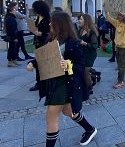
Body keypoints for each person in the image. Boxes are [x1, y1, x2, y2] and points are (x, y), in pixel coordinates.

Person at [27, 12, 97, 147]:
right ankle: (90, 129)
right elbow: (43, 58)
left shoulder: (73, 43)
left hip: (66, 84)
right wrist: (32, 63)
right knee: (68, 112)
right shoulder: (50, 40)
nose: (48, 24)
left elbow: (80, 65)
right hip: (53, 83)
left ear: (59, 25)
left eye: (51, 22)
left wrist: (69, 64)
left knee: (51, 116)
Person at [105, 11, 125, 88]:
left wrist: (124, 15)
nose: (118, 17)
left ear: (124, 16)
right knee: (120, 65)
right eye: (118, 16)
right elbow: (109, 19)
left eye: (120, 16)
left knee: (121, 66)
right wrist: (106, 10)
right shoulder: (117, 23)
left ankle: (120, 82)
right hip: (117, 47)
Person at [29, 0, 51, 91]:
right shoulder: (38, 17)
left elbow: (50, 31)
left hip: (44, 42)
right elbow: (36, 27)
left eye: (35, 8)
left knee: (43, 63)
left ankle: (44, 82)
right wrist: (33, 29)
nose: (34, 10)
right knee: (39, 62)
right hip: (38, 42)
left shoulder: (48, 18)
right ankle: (39, 82)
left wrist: (41, 33)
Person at [78, 14, 98, 90]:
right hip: (82, 54)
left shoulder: (92, 32)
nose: (79, 20)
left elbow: (94, 46)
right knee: (83, 71)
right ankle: (92, 77)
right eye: (79, 19)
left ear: (86, 21)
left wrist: (85, 43)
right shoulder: (80, 30)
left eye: (81, 19)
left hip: (90, 55)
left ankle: (89, 88)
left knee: (86, 72)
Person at [4, 2, 19, 67]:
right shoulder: (10, 17)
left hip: (12, 35)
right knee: (11, 48)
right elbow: (11, 28)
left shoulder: (10, 16)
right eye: (16, 7)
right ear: (13, 8)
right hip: (12, 35)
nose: (17, 8)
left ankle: (13, 60)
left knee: (13, 48)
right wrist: (14, 37)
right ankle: (10, 62)